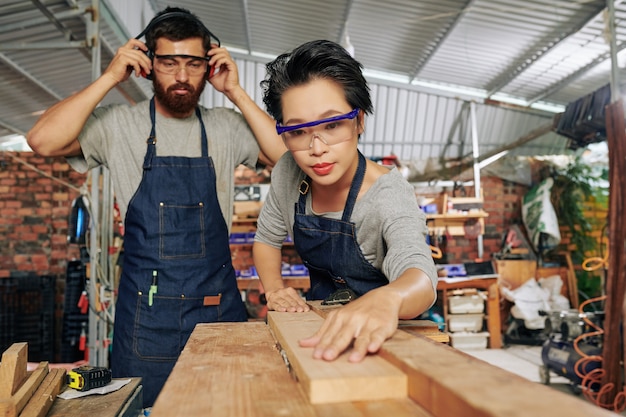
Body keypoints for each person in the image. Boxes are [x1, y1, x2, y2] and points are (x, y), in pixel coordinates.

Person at [27, 7, 285, 407]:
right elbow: (42, 140)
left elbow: (289, 157)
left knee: (229, 407)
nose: (181, 76)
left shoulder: (226, 126)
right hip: (145, 323)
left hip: (217, 315)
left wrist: (236, 91)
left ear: (209, 65)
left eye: (193, 63)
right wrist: (111, 77)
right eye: (168, 62)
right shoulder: (118, 125)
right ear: (147, 64)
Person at [253, 39, 438, 363]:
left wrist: (389, 300)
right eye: (298, 131)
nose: (317, 147)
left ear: (360, 121)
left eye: (333, 124)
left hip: (393, 339)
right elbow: (267, 239)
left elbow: (419, 274)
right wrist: (274, 289)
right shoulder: (288, 171)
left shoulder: (387, 195)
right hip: (323, 329)